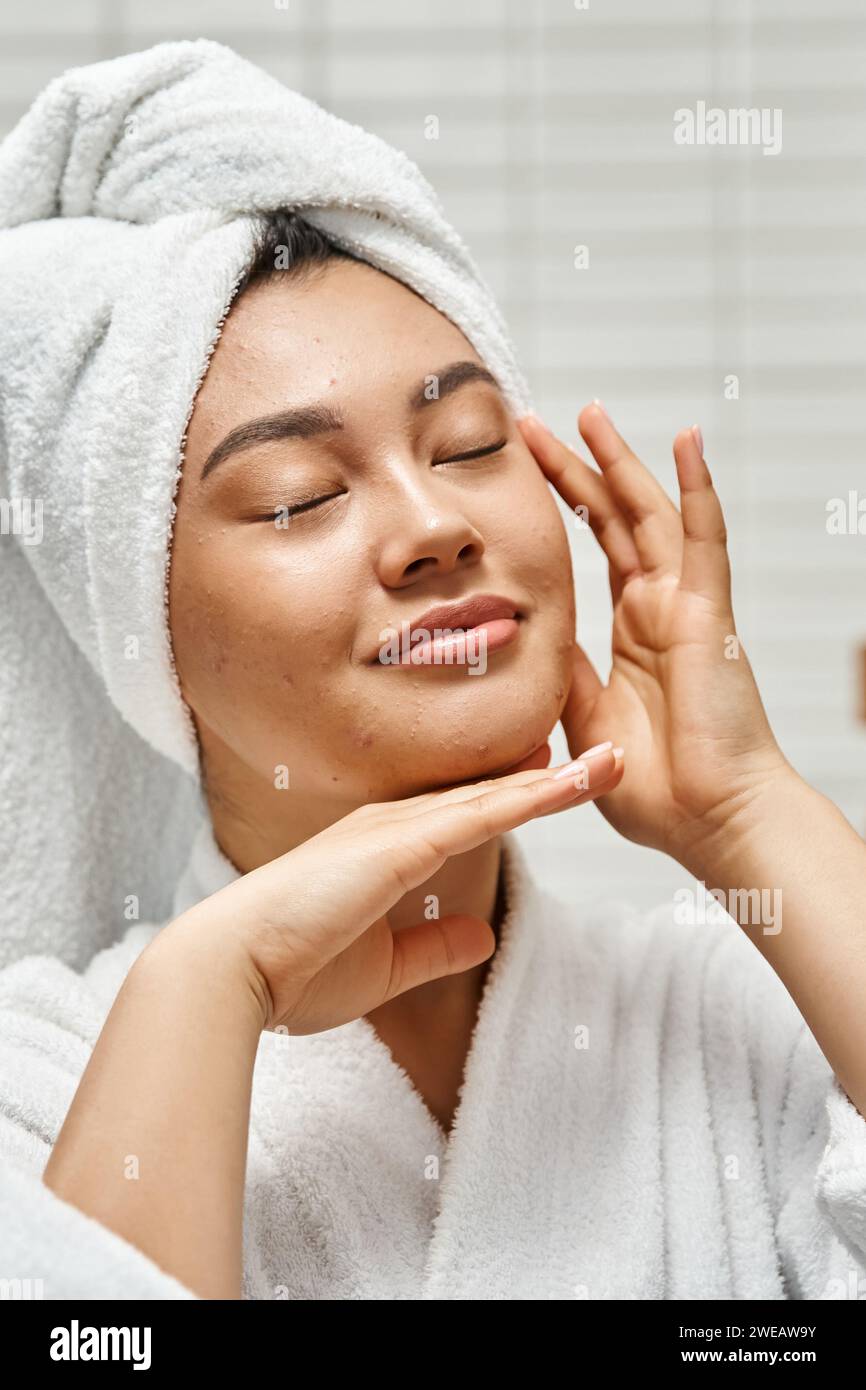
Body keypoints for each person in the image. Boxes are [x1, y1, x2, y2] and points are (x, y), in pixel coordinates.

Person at [1, 43, 865, 1302]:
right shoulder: (45, 1078)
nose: (433, 527)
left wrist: (749, 808)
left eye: (463, 443)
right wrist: (205, 987)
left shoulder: (736, 1011)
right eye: (298, 499)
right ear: (147, 631)